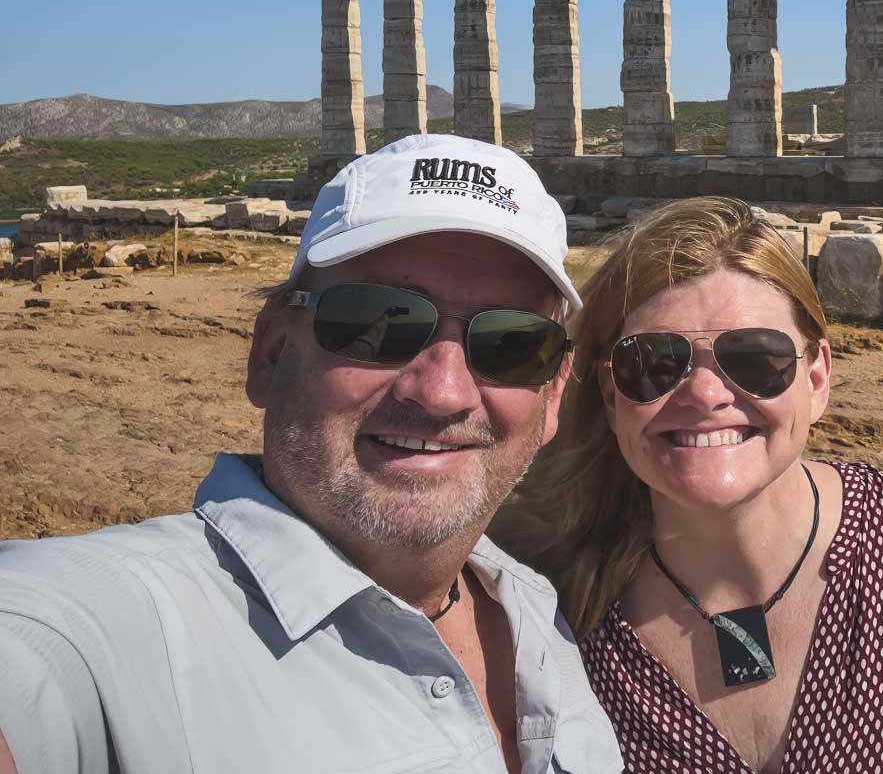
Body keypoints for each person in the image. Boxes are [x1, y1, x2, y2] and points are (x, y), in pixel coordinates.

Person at [0, 135, 622, 774]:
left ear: (552, 395)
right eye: (378, 321)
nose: (442, 393)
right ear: (269, 353)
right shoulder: (110, 630)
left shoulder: (541, 612)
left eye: (513, 343)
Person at [495, 197, 883, 773]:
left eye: (755, 357)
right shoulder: (538, 603)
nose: (706, 396)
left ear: (816, 380)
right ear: (609, 395)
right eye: (653, 362)